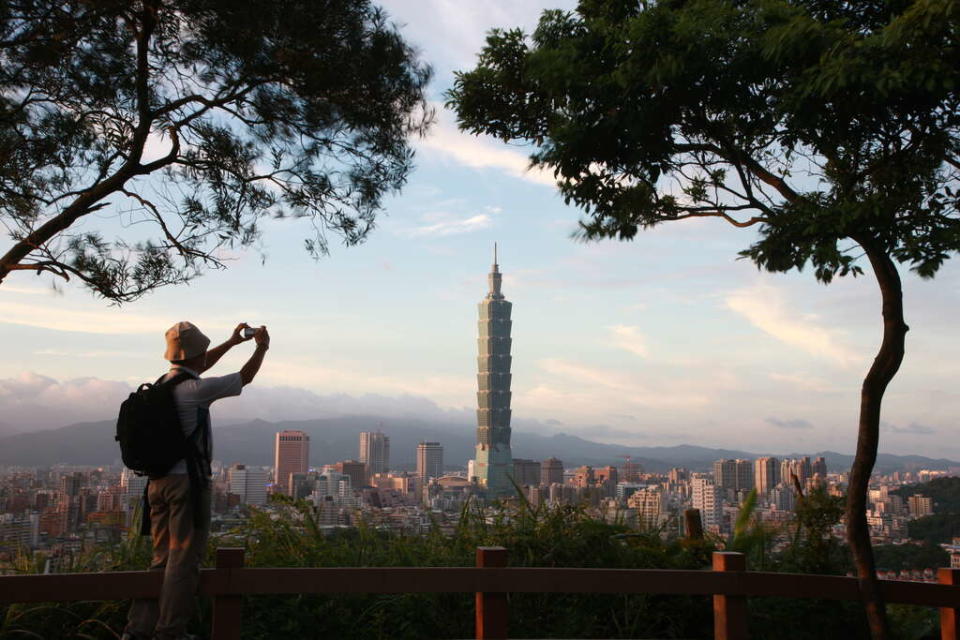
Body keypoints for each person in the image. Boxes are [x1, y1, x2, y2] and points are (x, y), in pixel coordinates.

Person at [123, 320, 269, 640]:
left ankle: (137, 629)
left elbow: (198, 366)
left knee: (161, 558)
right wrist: (261, 347)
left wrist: (231, 342)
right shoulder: (195, 392)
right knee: (184, 560)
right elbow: (244, 378)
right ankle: (170, 631)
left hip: (156, 482)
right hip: (186, 484)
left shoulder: (163, 384)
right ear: (196, 355)